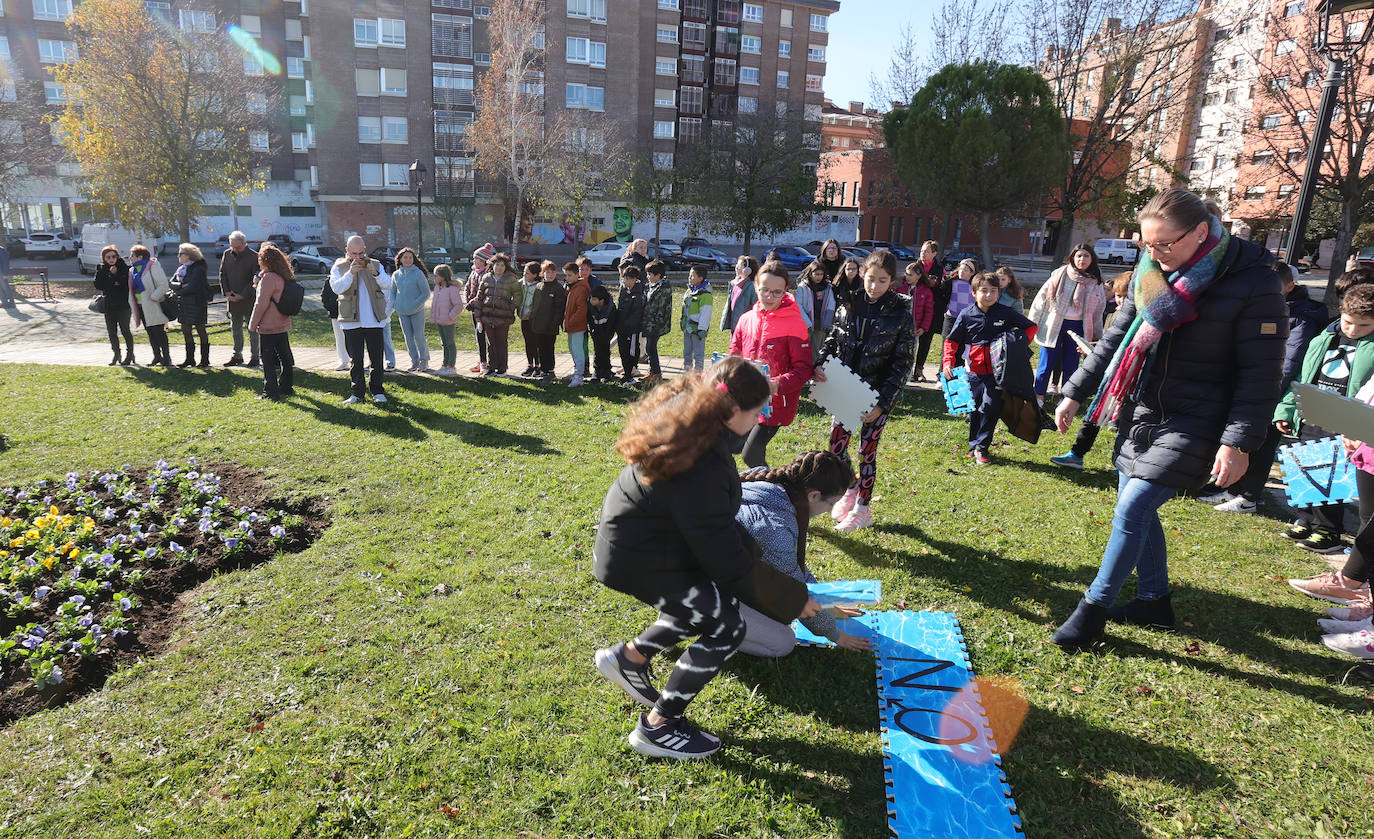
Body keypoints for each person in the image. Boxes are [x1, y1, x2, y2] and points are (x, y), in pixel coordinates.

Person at [1049, 187, 1287, 649]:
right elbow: (1117, 337)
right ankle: (1155, 601)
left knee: (1133, 508)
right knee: (1139, 513)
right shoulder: (1150, 272)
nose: (1154, 254)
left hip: (1202, 419)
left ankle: (1091, 612)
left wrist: (1238, 441)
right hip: (1143, 410)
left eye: (1165, 244)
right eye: (1146, 245)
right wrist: (1076, 392)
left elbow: (1262, 373)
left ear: (1201, 232)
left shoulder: (1254, 281)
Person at [591, 357, 823, 759]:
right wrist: (793, 599)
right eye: (758, 411)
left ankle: (628, 658)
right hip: (644, 557)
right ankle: (658, 728)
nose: (761, 419)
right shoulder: (702, 461)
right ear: (733, 412)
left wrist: (766, 570)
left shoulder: (698, 425)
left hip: (645, 545)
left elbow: (715, 525)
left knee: (705, 606)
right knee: (727, 625)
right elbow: (726, 560)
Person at [1200, 260, 1333, 512]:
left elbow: (1290, 360)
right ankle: (1229, 487)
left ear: (1290, 286)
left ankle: (1248, 497)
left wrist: (1268, 392)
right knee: (1240, 442)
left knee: (1261, 446)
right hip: (1246, 387)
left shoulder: (1301, 318)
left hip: (1272, 394)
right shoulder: (1258, 307)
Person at [1265, 282, 1374, 552]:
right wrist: (1287, 407)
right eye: (1349, 323)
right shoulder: (1324, 336)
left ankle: (1328, 529)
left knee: (1332, 472)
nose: (1353, 330)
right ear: (1341, 313)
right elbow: (1304, 375)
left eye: (1364, 326)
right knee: (1303, 464)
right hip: (1312, 410)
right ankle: (1306, 518)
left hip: (1345, 416)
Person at [815, 250, 918, 532]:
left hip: (875, 394)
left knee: (866, 453)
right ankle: (850, 488)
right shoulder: (848, 303)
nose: (874, 286)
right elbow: (833, 340)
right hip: (844, 388)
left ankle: (863, 509)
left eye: (882, 281)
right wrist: (820, 363)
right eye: (871, 279)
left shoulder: (901, 315)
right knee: (837, 449)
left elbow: (902, 364)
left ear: (892, 282)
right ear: (862, 274)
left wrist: (883, 404)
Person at [735, 451, 874, 656]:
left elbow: (794, 570)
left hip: (710, 576)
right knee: (782, 641)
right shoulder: (774, 529)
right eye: (830, 503)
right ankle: (708, 630)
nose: (829, 511)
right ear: (814, 495)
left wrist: (828, 603)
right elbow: (795, 593)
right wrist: (836, 635)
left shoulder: (769, 483)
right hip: (699, 591)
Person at [942, 272, 1038, 464]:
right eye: (984, 290)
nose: (989, 295)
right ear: (974, 293)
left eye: (993, 290)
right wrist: (948, 362)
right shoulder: (966, 314)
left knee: (991, 407)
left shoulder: (1005, 312)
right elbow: (951, 340)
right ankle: (973, 444)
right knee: (974, 409)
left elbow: (1031, 328)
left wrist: (1015, 346)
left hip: (997, 373)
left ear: (998, 291)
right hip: (972, 372)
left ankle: (982, 447)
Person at [729, 260, 814, 469]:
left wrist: (777, 384)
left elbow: (803, 369)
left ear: (786, 291)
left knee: (751, 455)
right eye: (764, 290)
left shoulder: (794, 324)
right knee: (731, 445)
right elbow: (735, 354)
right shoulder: (746, 319)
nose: (769, 296)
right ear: (755, 285)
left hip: (775, 404)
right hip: (747, 399)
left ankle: (775, 491)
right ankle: (739, 488)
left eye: (777, 292)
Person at [1049, 271, 1133, 470]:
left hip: (1128, 379)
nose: (1121, 300)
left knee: (1128, 422)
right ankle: (1077, 454)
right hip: (1108, 377)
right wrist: (1091, 352)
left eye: (1125, 296)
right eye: (1119, 295)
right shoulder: (1114, 316)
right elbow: (1108, 345)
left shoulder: (1139, 319)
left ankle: (1123, 465)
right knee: (1094, 414)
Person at [1028, 244, 1105, 399]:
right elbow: (1041, 299)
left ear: (1092, 259)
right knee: (1046, 363)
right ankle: (1039, 396)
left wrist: (1097, 334)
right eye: (1079, 256)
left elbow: (1099, 309)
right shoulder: (1060, 274)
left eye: (1086, 256)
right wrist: (1031, 323)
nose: (1082, 259)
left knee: (1072, 365)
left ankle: (1067, 398)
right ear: (1073, 257)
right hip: (1054, 325)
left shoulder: (1095, 281)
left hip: (1078, 326)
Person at [330, 235, 392, 405]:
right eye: (354, 253)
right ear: (347, 250)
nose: (357, 257)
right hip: (351, 321)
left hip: (374, 319)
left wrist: (376, 272)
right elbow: (337, 288)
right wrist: (350, 273)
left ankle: (377, 391)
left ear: (365, 249)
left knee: (377, 358)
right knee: (355, 360)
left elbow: (388, 284)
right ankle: (357, 393)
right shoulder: (339, 266)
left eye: (360, 253)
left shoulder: (376, 264)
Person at [248, 242, 295, 401]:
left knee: (267, 360)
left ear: (264, 260)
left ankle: (271, 392)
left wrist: (252, 324)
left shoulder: (268, 278)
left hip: (268, 325)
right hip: (282, 322)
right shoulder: (283, 275)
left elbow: (261, 303)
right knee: (285, 357)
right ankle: (287, 386)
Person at [474, 252, 519, 376]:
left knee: (501, 343)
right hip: (488, 317)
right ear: (492, 265)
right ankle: (492, 366)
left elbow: (517, 297)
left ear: (506, 267)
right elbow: (479, 298)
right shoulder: (486, 278)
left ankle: (502, 368)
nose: (499, 268)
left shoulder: (511, 279)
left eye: (502, 265)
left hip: (503, 318)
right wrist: (478, 317)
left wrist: (509, 307)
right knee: (491, 343)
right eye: (497, 265)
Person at [219, 231, 260, 368]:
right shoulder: (227, 254)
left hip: (248, 300)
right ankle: (237, 355)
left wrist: (242, 295)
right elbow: (222, 274)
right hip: (232, 299)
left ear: (244, 243)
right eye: (232, 247)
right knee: (235, 328)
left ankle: (255, 356)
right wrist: (227, 292)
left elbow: (255, 279)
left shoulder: (254, 256)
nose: (235, 250)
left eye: (238, 247)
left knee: (252, 329)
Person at [126, 245, 172, 367]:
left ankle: (167, 358)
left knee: (159, 332)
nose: (130, 258)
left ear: (140, 257)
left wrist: (153, 297)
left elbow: (163, 285)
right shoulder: (133, 270)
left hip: (154, 305)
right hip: (141, 306)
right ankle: (157, 357)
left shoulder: (152, 266)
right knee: (150, 332)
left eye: (132, 256)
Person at [169, 243, 211, 368]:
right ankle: (190, 359)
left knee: (200, 329)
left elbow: (193, 286)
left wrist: (179, 290)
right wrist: (181, 287)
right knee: (186, 330)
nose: (178, 256)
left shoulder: (199, 268)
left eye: (180, 254)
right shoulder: (181, 269)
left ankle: (204, 360)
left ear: (188, 255)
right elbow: (171, 283)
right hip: (184, 302)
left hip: (197, 302)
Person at [391, 248, 432, 373]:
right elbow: (392, 292)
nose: (408, 260)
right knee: (408, 338)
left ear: (413, 259)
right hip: (402, 312)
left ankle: (424, 361)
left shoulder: (418, 273)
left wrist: (414, 305)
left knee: (419, 337)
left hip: (417, 311)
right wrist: (395, 304)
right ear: (400, 259)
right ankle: (414, 361)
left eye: (410, 257)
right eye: (405, 257)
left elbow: (426, 293)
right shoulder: (396, 275)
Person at [92, 245, 134, 366]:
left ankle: (129, 354)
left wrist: (114, 278)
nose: (111, 259)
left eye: (113, 256)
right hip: (109, 304)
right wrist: (111, 279)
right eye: (108, 257)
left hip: (123, 304)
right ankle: (116, 353)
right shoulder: (101, 269)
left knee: (125, 330)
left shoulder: (123, 267)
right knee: (111, 331)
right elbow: (99, 285)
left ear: (117, 256)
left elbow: (124, 285)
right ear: (104, 258)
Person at [914, 241, 947, 381]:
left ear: (934, 253)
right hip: (916, 308)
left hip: (932, 309)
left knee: (926, 340)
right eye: (922, 251)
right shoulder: (916, 266)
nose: (923, 253)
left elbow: (944, 288)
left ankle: (919, 370)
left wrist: (937, 284)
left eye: (927, 251)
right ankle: (907, 369)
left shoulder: (940, 268)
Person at [530, 260, 567, 380]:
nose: (549, 275)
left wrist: (554, 323)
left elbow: (559, 309)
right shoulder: (539, 286)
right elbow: (534, 305)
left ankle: (550, 370)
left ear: (556, 274)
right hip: (538, 324)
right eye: (547, 272)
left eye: (552, 272)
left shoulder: (558, 288)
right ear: (543, 273)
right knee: (540, 347)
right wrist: (533, 320)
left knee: (549, 347)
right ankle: (543, 369)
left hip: (550, 326)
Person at [796, 261, 836, 364]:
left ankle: (814, 371)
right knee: (803, 349)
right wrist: (806, 322)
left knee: (817, 350)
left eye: (821, 274)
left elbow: (831, 304)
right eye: (816, 274)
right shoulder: (803, 286)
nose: (819, 277)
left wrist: (827, 321)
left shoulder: (828, 287)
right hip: (807, 322)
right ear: (810, 273)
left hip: (820, 323)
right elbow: (798, 305)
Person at [640, 260, 673, 384]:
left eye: (650, 275)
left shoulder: (663, 288)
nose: (648, 277)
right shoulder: (651, 285)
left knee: (650, 348)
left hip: (656, 324)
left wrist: (656, 324)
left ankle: (656, 374)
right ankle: (653, 372)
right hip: (649, 322)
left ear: (658, 275)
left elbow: (663, 308)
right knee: (650, 348)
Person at [466, 243, 495, 373]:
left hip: (484, 310)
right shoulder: (474, 273)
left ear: (484, 260)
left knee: (485, 336)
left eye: (476, 259)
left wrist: (472, 302)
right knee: (479, 336)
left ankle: (486, 362)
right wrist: (468, 300)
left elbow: (482, 294)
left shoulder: (486, 275)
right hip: (474, 310)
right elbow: (467, 287)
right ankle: (481, 359)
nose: (474, 261)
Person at [430, 264, 464, 376]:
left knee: (450, 343)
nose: (434, 277)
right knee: (444, 344)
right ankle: (445, 365)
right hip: (440, 321)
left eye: (436, 275)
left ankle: (451, 366)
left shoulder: (452, 289)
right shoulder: (437, 288)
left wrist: (450, 316)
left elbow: (458, 305)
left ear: (443, 276)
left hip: (448, 321)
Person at [680, 264, 713, 373]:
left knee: (698, 355)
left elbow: (706, 313)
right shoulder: (689, 292)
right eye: (689, 275)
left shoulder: (705, 295)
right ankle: (687, 375)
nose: (690, 278)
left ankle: (698, 377)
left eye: (693, 276)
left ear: (700, 278)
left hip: (698, 330)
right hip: (688, 329)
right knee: (687, 353)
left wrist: (702, 329)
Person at [616, 264, 646, 383]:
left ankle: (630, 374)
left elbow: (636, 314)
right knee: (623, 351)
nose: (624, 281)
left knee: (631, 352)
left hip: (632, 330)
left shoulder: (638, 294)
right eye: (623, 278)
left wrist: (627, 326)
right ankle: (627, 374)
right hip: (621, 329)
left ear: (634, 279)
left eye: (627, 278)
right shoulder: (623, 291)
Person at [563, 260, 590, 387]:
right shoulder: (572, 287)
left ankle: (579, 376)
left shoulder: (579, 289)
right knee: (573, 350)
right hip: (571, 326)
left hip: (577, 326)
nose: (567, 278)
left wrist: (570, 321)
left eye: (569, 275)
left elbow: (581, 310)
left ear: (576, 275)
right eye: (566, 275)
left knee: (578, 351)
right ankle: (576, 372)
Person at [907, 262, 934, 378]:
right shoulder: (902, 288)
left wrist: (923, 327)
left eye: (910, 275)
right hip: (901, 327)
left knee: (911, 352)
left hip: (915, 328)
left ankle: (910, 374)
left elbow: (929, 312)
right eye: (906, 274)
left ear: (918, 275)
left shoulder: (926, 291)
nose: (907, 277)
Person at [719, 255, 759, 333]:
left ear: (747, 269)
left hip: (746, 326)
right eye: (737, 265)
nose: (736, 267)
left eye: (740, 265)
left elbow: (756, 306)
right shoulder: (734, 284)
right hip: (735, 324)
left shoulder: (752, 286)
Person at [517, 261, 543, 377]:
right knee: (528, 342)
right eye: (524, 272)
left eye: (527, 273)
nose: (524, 275)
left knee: (536, 342)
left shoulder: (539, 286)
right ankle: (530, 365)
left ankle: (538, 365)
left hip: (535, 318)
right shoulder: (520, 284)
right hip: (524, 317)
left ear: (535, 275)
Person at [587, 285, 617, 383]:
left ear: (602, 300)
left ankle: (606, 371)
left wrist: (606, 335)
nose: (591, 301)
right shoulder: (590, 306)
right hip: (596, 330)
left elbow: (612, 324)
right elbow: (590, 320)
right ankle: (597, 371)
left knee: (605, 350)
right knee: (597, 350)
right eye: (591, 298)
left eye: (594, 299)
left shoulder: (611, 308)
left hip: (607, 331)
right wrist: (593, 331)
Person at [320, 278, 350, 372]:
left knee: (353, 338)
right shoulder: (330, 280)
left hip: (350, 313)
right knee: (339, 338)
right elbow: (324, 296)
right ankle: (343, 361)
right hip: (335, 313)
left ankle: (356, 360)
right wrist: (330, 307)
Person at [0, 242, 12, 308]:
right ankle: (4, 303)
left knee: (6, 288)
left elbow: (6, 263)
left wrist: (5, 273)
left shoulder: (2, 250)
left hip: (2, 272)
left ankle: (11, 303)